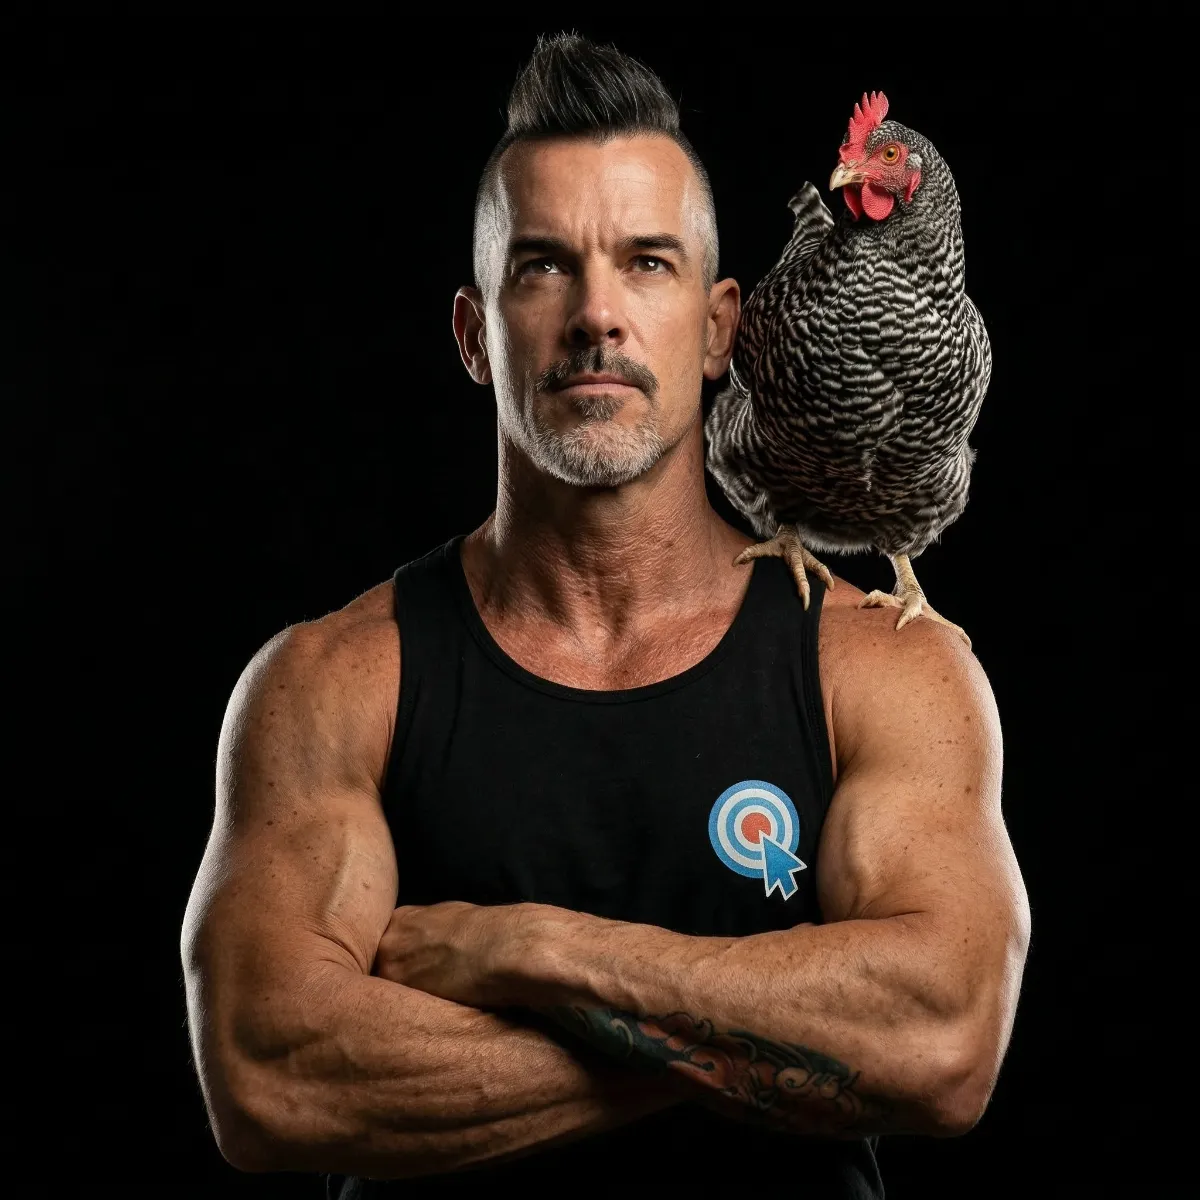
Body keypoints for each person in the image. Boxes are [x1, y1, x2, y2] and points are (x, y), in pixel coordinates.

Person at [182, 34, 1030, 1199]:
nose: (597, 316)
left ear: (723, 327)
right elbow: (270, 1078)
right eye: (542, 267)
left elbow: (940, 1046)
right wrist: (784, 1034)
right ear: (475, 334)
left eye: (647, 263)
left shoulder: (886, 673)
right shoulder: (332, 683)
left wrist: (528, 950)